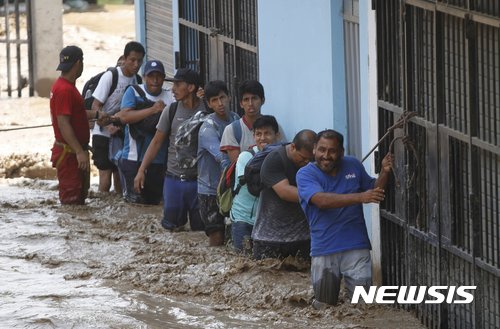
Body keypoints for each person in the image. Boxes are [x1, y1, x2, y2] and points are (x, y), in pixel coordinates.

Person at [296, 129, 393, 308]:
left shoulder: (353, 165)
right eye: (322, 150)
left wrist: (385, 172)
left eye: (332, 151)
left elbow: (374, 191)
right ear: (314, 150)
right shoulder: (305, 174)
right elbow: (321, 200)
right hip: (324, 248)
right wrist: (360, 197)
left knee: (363, 307)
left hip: (357, 246)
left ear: (341, 152)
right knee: (323, 308)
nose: (326, 156)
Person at [134, 68, 205, 232]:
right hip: (173, 181)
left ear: (191, 87)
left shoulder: (207, 111)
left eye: (178, 85)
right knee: (172, 232)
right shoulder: (171, 110)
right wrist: (141, 170)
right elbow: (156, 142)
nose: (172, 90)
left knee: (201, 232)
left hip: (200, 182)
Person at [251, 129, 317, 260]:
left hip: (303, 238)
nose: (307, 163)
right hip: (269, 238)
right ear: (292, 147)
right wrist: (318, 197)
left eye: (310, 159)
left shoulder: (314, 162)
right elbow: (284, 192)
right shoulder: (275, 159)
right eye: (303, 158)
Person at [114, 59, 173, 204]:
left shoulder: (170, 96)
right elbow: (124, 117)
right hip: (133, 159)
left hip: (158, 162)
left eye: (158, 76)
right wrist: (153, 110)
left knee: (153, 204)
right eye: (151, 76)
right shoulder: (133, 91)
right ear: (145, 77)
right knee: (134, 204)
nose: (155, 80)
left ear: (163, 77)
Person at [91, 41, 145, 194]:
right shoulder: (111, 76)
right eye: (132, 60)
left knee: (120, 179)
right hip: (102, 133)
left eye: (139, 61)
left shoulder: (138, 81)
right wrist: (108, 126)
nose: (136, 64)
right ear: (125, 58)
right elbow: (96, 106)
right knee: (105, 179)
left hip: (123, 135)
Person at [50, 45, 98, 204]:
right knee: (71, 203)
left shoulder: (64, 86)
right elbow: (63, 123)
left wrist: (97, 115)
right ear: (78, 63)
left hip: (73, 152)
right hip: (70, 155)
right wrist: (79, 151)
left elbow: (75, 114)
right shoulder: (65, 90)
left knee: (79, 200)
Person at [197, 81, 240, 246]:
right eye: (214, 100)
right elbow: (222, 158)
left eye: (222, 97)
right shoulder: (208, 128)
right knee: (216, 238)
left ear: (229, 97)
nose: (220, 103)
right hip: (210, 191)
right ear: (208, 103)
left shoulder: (236, 119)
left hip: (231, 187)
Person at [230, 115, 280, 252]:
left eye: (267, 133)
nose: (262, 138)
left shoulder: (281, 157)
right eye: (258, 134)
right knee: (243, 259)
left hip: (266, 222)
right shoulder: (246, 157)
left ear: (277, 135)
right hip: (243, 218)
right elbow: (253, 186)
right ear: (254, 136)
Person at [220, 80, 286, 162]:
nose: (250, 103)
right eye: (246, 99)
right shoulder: (232, 130)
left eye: (254, 98)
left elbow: (283, 154)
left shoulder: (274, 126)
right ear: (241, 103)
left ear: (262, 100)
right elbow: (237, 166)